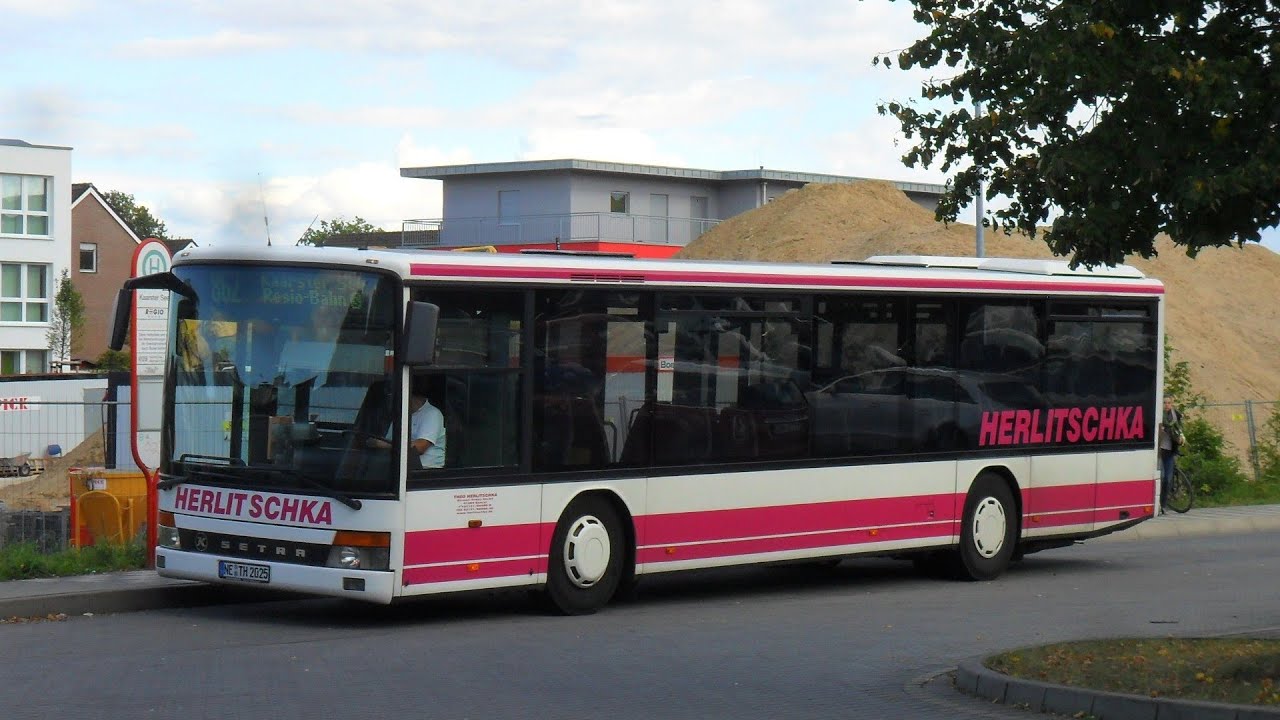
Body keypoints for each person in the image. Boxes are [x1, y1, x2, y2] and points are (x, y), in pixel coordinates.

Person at [408, 385, 447, 469]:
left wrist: (384, 444)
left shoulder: (432, 413)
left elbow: (419, 447)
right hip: (405, 467)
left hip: (428, 471)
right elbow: (388, 439)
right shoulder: (402, 413)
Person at [1157, 398, 1184, 513]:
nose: (1166, 405)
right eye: (1164, 403)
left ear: (1172, 404)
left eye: (1169, 403)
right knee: (1161, 477)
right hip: (1159, 451)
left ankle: (1163, 505)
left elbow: (1180, 428)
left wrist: (1181, 437)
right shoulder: (1158, 414)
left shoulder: (1175, 415)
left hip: (1170, 451)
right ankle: (1157, 503)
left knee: (1168, 479)